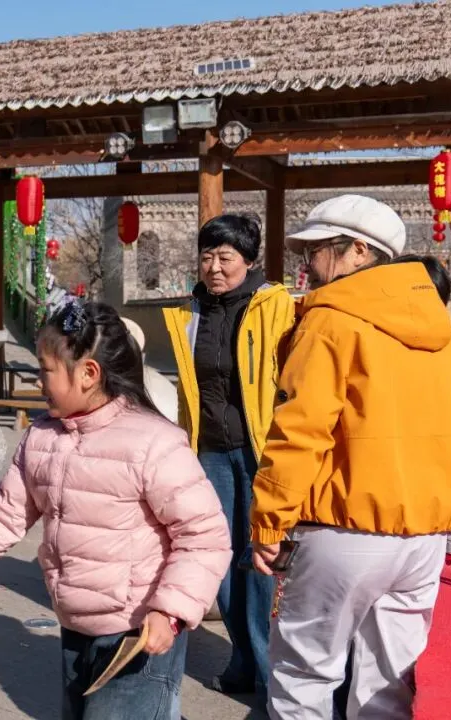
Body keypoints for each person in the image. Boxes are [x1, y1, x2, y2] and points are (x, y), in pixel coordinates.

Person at [0, 300, 231, 719]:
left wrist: (169, 612)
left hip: (139, 634)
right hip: (76, 629)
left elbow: (205, 537)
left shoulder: (154, 443)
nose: (38, 379)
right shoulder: (42, 440)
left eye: (45, 369)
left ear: (88, 374)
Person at [250, 195, 451, 719]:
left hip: (341, 527)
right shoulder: (442, 334)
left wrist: (269, 521)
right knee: (387, 689)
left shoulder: (329, 322)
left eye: (318, 249)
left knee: (303, 679)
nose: (308, 262)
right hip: (423, 537)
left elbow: (299, 430)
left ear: (359, 250)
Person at [161, 214, 294, 699]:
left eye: (226, 257)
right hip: (210, 451)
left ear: (250, 260)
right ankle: (243, 659)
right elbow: (187, 390)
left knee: (259, 557)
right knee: (217, 555)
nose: (214, 267)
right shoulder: (190, 313)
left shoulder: (275, 307)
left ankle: (268, 671)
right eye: (207, 257)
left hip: (261, 450)